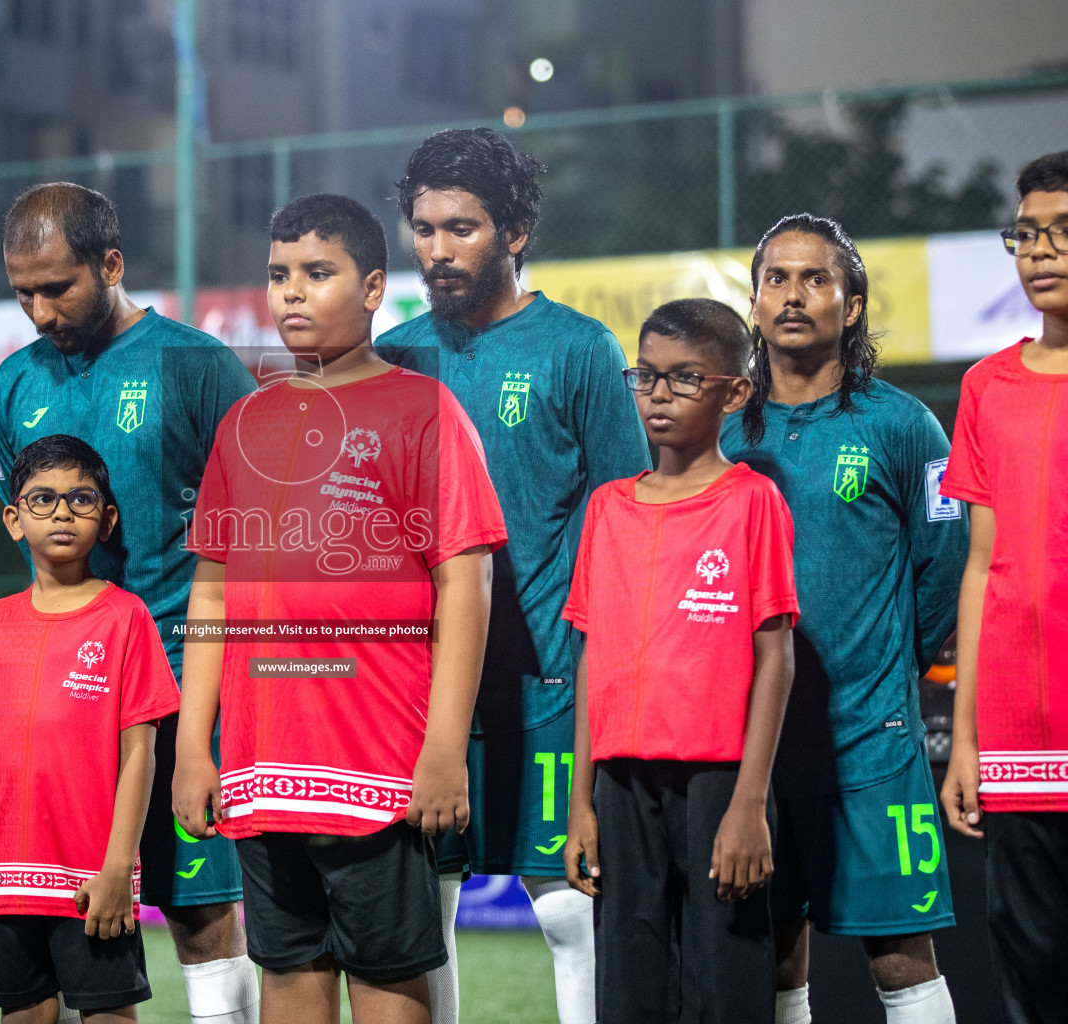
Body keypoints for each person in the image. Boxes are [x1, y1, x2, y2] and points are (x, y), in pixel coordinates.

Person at [173, 193, 506, 1024]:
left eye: (318, 274)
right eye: (280, 275)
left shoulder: (423, 409)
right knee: (288, 973)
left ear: (371, 288)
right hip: (261, 762)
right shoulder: (242, 423)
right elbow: (211, 588)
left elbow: (465, 584)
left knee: (390, 980)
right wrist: (192, 745)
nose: (292, 292)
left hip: (380, 763)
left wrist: (443, 750)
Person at [376, 126, 649, 1023]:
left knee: (570, 908)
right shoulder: (396, 356)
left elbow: (625, 528)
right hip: (421, 688)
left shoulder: (578, 349)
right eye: (424, 228)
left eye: (461, 227)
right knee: (426, 913)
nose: (437, 250)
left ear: (516, 232)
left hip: (553, 684)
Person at [0, 183, 258, 1024]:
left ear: (112, 264)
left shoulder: (199, 365)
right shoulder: (15, 382)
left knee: (202, 911)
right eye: (21, 290)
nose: (37, 311)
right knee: (63, 913)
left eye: (56, 288)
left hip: (182, 684)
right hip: (64, 700)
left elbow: (261, 534)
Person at [720, 214, 965, 1024]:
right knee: (775, 955)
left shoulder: (903, 425)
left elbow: (947, 563)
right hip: (750, 742)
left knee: (902, 956)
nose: (794, 296)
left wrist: (889, 670)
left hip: (871, 739)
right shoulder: (720, 429)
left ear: (851, 305)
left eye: (815, 279)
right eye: (776, 279)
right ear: (754, 302)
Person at [563, 298, 797, 1023]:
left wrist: (749, 806)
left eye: (685, 378)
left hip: (718, 785)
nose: (659, 394)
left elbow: (777, 660)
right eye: (648, 376)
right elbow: (592, 655)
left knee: (726, 983)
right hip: (622, 786)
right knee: (630, 985)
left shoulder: (753, 501)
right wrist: (581, 800)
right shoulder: (607, 507)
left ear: (734, 391)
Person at [0, 434, 181, 1024]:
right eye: (42, 499)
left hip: (90, 881)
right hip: (4, 883)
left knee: (108, 1015)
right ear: (13, 518)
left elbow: (140, 757)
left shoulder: (126, 618)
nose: (60, 513)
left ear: (106, 520)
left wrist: (118, 869)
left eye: (80, 499)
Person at [940, 150, 1068, 1024]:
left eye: (1060, 232)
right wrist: (969, 740)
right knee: (1034, 967)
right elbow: (982, 566)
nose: (1040, 251)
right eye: (1025, 234)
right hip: (1023, 727)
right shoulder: (987, 384)